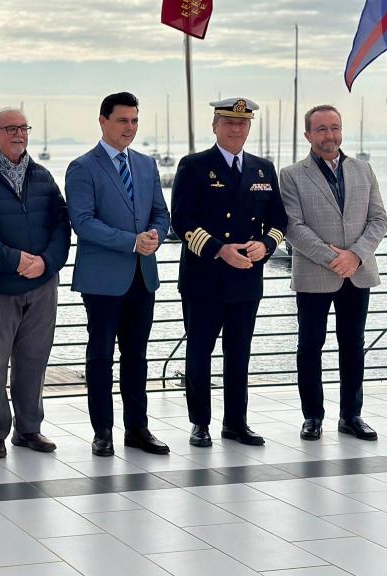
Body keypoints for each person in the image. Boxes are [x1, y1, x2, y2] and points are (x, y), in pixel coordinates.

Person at [170, 97, 287, 448]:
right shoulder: (193, 166)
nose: (236, 129)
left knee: (239, 354)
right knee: (199, 353)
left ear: (249, 127)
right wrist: (219, 250)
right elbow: (181, 219)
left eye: (242, 123)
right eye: (229, 123)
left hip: (247, 278)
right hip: (204, 277)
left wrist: (265, 245)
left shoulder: (263, 168)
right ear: (215, 126)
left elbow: (279, 220)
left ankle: (236, 422)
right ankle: (200, 423)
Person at [66, 92, 171, 457]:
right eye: (123, 120)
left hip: (143, 277)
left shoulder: (145, 165)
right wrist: (131, 241)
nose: (130, 127)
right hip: (103, 280)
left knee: (137, 356)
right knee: (100, 357)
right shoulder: (83, 167)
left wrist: (156, 234)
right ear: (103, 121)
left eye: (135, 120)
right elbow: (82, 222)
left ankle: (138, 429)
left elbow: (161, 212)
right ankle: (103, 432)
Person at [280, 104, 387, 441]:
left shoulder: (363, 170)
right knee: (310, 345)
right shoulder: (292, 175)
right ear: (308, 134)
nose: (330, 135)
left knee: (352, 344)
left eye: (335, 128)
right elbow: (293, 227)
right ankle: (312, 416)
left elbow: (378, 220)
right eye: (322, 129)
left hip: (358, 272)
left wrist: (355, 255)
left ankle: (351, 415)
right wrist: (333, 258)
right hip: (315, 274)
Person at [0, 107, 71, 459]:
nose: (19, 134)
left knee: (33, 360)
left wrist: (45, 262)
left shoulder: (43, 177)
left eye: (23, 128)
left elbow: (62, 226)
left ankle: (29, 430)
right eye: (10, 128)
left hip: (42, 285)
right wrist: (15, 260)